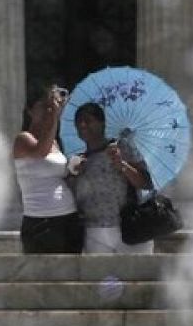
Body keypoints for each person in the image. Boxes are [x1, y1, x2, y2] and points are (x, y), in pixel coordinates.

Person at [68, 102, 154, 254]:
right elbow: (73, 198)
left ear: (102, 123)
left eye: (88, 120)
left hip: (128, 227)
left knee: (135, 270)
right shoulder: (78, 161)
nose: (82, 125)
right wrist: (74, 175)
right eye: (78, 122)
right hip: (94, 231)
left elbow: (146, 183)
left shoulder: (122, 147)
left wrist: (122, 165)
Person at [12, 86, 84, 253]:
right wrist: (54, 117)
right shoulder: (22, 139)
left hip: (68, 218)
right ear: (30, 111)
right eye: (44, 106)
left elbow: (58, 176)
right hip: (40, 220)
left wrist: (73, 170)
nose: (49, 110)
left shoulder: (54, 142)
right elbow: (40, 152)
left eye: (51, 106)